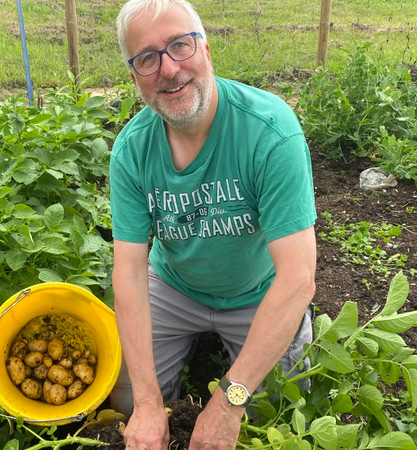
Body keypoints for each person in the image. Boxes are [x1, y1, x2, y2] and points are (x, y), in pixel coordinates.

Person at [108, 0, 317, 448]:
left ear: (205, 49)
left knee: (278, 409)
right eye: (146, 57)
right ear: (134, 76)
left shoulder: (270, 131)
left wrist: (229, 401)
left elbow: (297, 279)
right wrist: (146, 403)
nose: (167, 69)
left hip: (258, 293)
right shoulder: (132, 151)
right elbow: (127, 270)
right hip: (173, 286)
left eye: (179, 46)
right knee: (126, 405)